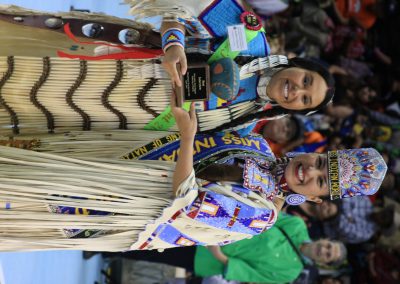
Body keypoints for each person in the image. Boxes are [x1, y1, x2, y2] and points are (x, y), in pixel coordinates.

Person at [0, 92, 388, 252]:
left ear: (317, 198)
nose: (309, 171)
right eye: (320, 163)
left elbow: (185, 205)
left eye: (320, 180)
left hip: (109, 207)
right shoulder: (259, 145)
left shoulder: (263, 215)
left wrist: (186, 140)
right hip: (106, 161)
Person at [0, 3, 334, 136]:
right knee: (21, 57)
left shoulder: (243, 125)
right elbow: (178, 8)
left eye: (305, 99)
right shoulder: (247, 35)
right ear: (296, 63)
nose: (297, 89)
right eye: (306, 80)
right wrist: (173, 44)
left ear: (295, 109)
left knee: (22, 106)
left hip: (104, 112)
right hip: (117, 58)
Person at [96, 213, 347, 283]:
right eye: (328, 246)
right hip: (212, 229)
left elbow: (251, 274)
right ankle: (106, 230)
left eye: (327, 256)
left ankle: (104, 249)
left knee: (157, 254)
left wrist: (220, 255)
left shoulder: (289, 274)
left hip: (210, 258)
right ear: (325, 240)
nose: (324, 250)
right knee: (157, 232)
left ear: (323, 264)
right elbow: (263, 215)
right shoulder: (296, 224)